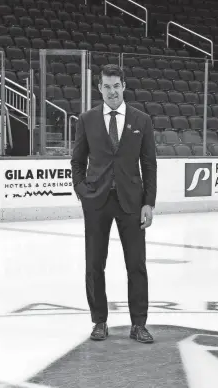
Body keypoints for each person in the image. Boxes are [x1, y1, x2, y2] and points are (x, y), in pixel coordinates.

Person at [70, 64, 157, 343]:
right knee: (94, 264)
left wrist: (149, 203)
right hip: (97, 201)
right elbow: (77, 161)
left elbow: (149, 165)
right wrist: (83, 190)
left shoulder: (141, 120)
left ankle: (139, 324)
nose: (112, 91)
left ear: (124, 86)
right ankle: (99, 321)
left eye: (116, 86)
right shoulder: (87, 119)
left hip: (132, 202)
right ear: (99, 88)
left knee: (136, 264)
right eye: (106, 86)